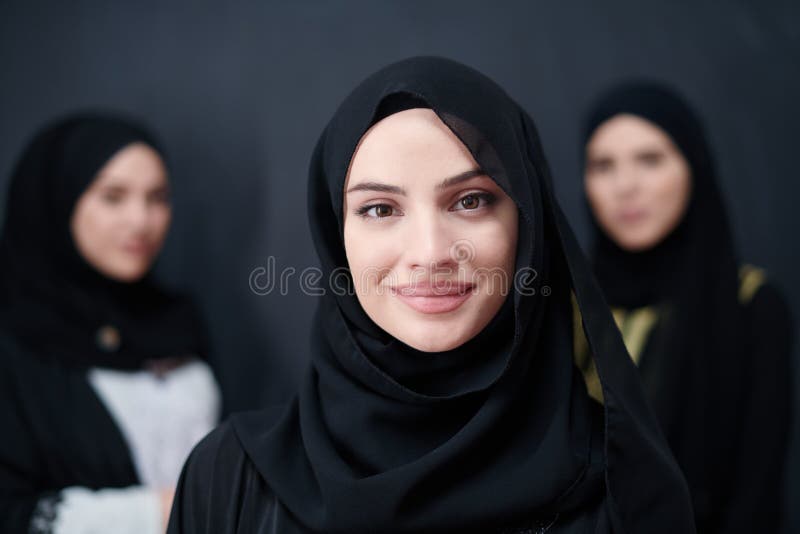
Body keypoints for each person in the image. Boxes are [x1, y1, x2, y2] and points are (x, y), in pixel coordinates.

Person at [168, 57, 695, 533]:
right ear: (336, 237)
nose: (430, 252)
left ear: (529, 226)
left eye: (470, 200)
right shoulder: (229, 480)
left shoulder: (622, 493)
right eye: (380, 209)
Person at [577, 82, 793, 533]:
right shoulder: (571, 305)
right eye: (602, 165)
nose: (625, 186)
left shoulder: (750, 304)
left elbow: (755, 500)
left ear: (692, 165)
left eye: (650, 159)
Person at [0, 113, 221, 533]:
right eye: (113, 196)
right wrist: (171, 509)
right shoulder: (15, 338)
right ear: (59, 200)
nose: (141, 220)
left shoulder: (176, 319)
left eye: (157, 197)